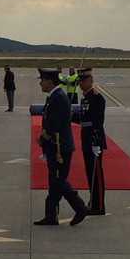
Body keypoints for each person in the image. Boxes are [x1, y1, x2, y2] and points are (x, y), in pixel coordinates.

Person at [34, 68, 89, 227]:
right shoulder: (53, 97)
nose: (40, 83)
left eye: (42, 80)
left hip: (59, 148)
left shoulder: (58, 98)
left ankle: (79, 207)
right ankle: (51, 216)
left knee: (59, 181)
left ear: (49, 82)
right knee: (55, 180)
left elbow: (54, 123)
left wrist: (42, 139)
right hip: (55, 146)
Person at [71, 68, 106, 215]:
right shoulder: (85, 98)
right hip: (86, 139)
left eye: (84, 81)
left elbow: (98, 122)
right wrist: (70, 115)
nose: (81, 84)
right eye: (80, 82)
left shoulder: (96, 98)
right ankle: (93, 200)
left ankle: (99, 205)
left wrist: (96, 142)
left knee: (95, 174)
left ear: (91, 80)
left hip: (93, 140)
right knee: (89, 172)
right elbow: (83, 119)